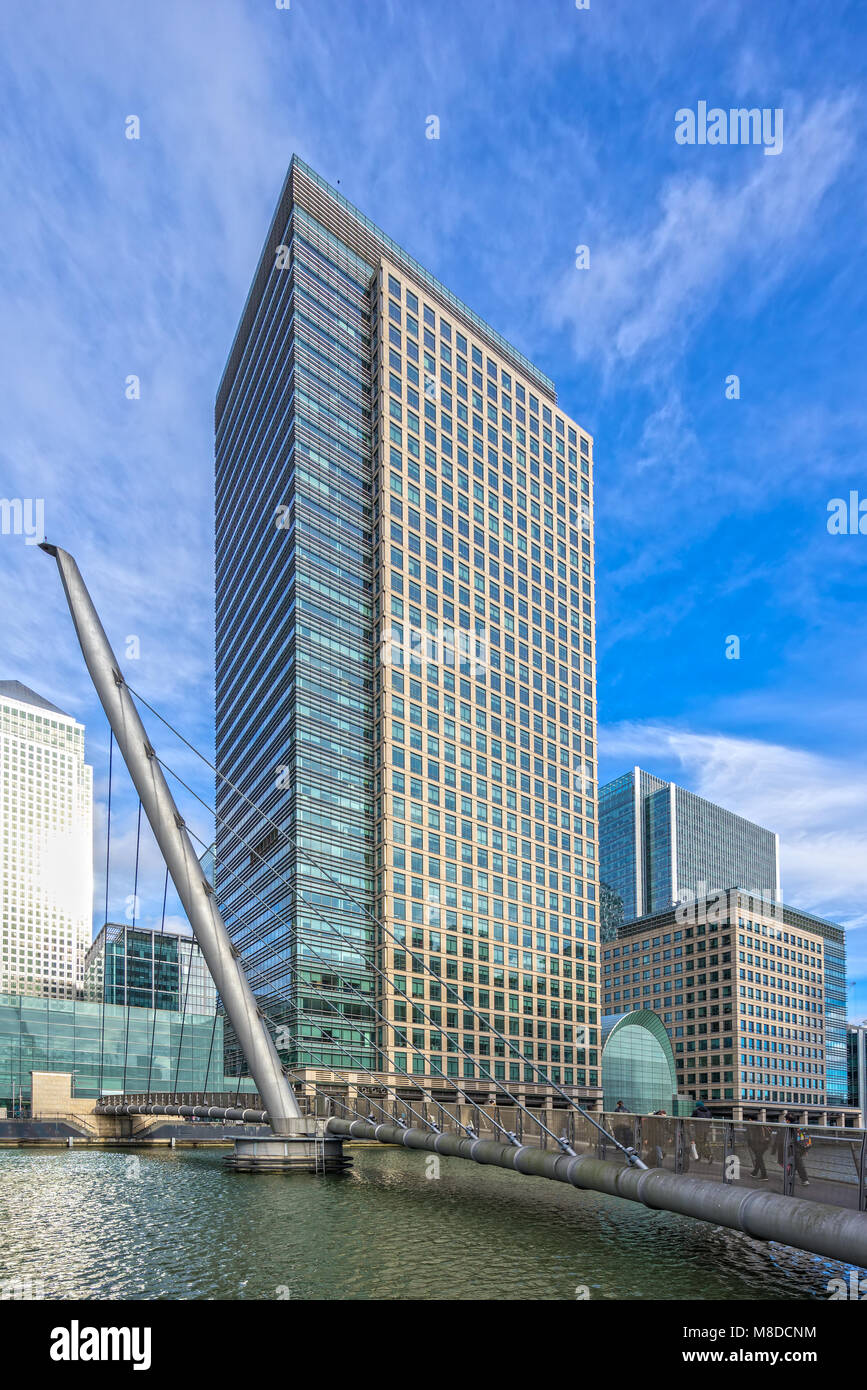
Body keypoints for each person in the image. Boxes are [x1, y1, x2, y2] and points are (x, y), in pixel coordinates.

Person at [777, 1111, 811, 1187]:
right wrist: (805, 1150)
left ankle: (805, 1180)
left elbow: (792, 1139)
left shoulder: (790, 1127)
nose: (785, 1121)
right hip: (802, 1147)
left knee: (798, 1164)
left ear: (788, 1120)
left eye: (786, 1119)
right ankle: (788, 1176)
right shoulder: (800, 1126)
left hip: (795, 1149)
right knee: (795, 1164)